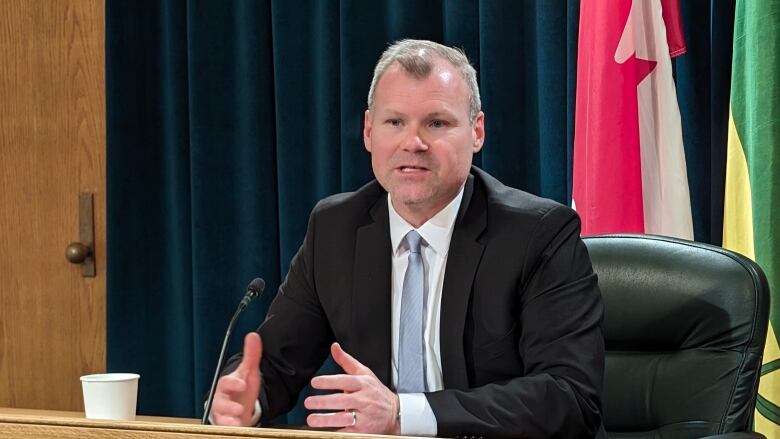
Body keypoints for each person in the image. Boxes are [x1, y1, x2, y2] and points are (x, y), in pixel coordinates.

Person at [210, 39, 605, 438]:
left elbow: (568, 396)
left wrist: (402, 414)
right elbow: (275, 363)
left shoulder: (539, 234)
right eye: (395, 122)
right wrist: (248, 401)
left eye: (436, 123)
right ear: (368, 131)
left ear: (477, 132)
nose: (412, 143)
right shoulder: (335, 228)